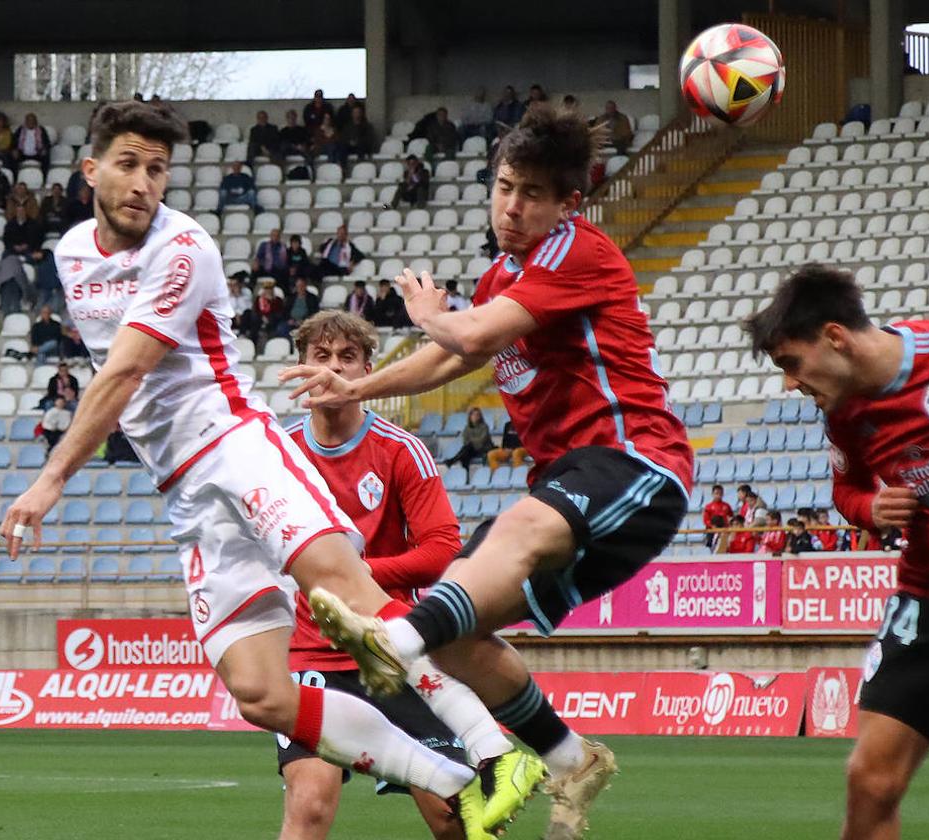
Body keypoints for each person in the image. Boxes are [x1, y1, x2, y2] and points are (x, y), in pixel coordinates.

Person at [5, 100, 489, 836]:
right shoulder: (72, 253)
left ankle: (488, 749)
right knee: (260, 693)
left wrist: (51, 477)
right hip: (184, 493)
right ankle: (447, 774)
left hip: (235, 448)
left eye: (158, 169)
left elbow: (127, 370)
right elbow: (114, 367)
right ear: (90, 169)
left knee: (347, 589)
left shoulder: (184, 247)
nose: (143, 182)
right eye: (129, 164)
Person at [282, 104, 692, 840]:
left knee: (511, 534)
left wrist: (429, 309)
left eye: (532, 193)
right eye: (504, 185)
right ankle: (571, 760)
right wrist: (355, 388)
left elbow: (461, 333)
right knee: (458, 637)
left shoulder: (576, 250)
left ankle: (391, 643)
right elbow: (450, 358)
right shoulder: (509, 271)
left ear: (568, 202)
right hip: (569, 486)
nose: (512, 206)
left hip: (634, 465)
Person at [745, 264, 929, 839]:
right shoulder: (844, 414)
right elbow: (847, 489)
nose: (789, 383)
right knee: (870, 781)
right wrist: (870, 510)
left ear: (835, 337)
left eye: (791, 363)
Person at [280, 310, 543, 838]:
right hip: (314, 656)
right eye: (321, 356)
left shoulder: (401, 451)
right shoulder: (278, 454)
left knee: (453, 817)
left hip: (395, 650)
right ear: (300, 368)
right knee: (309, 807)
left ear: (368, 371)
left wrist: (350, 572)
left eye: (347, 358)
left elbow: (442, 550)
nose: (334, 368)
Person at [703, 484, 733, 549]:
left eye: (720, 493)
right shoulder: (708, 506)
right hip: (712, 530)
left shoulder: (727, 506)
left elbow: (731, 517)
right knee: (711, 547)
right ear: (712, 494)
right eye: (716, 493)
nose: (718, 495)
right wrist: (713, 526)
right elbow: (706, 520)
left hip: (724, 530)